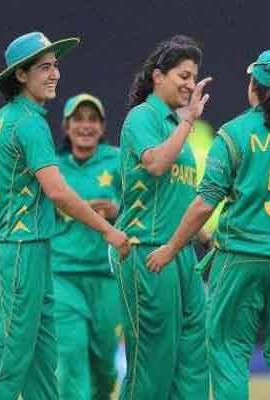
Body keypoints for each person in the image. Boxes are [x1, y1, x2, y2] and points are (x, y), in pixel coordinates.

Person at [147, 49, 270, 400]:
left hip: (241, 258)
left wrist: (171, 248)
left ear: (253, 86)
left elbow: (204, 205)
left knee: (228, 348)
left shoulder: (234, 134)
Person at [0, 32, 129, 400]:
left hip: (29, 250)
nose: (55, 74)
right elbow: (57, 192)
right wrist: (107, 230)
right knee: (11, 359)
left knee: (43, 364)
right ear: (21, 75)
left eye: (55, 66)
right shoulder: (28, 123)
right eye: (44, 67)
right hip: (19, 250)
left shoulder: (2, 120)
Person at [110, 34, 210, 399]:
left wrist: (206, 237)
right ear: (158, 76)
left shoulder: (173, 125)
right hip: (147, 252)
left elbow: (178, 195)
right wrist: (188, 122)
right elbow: (155, 165)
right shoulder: (143, 116)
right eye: (183, 75)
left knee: (194, 358)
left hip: (181, 254)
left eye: (193, 77)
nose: (190, 84)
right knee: (152, 364)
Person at [51, 93, 123, 399]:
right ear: (66, 127)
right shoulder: (51, 167)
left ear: (103, 127)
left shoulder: (118, 160)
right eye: (77, 119)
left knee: (105, 367)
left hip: (107, 277)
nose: (85, 125)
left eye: (93, 119)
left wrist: (118, 211)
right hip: (62, 275)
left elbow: (141, 203)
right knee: (70, 356)